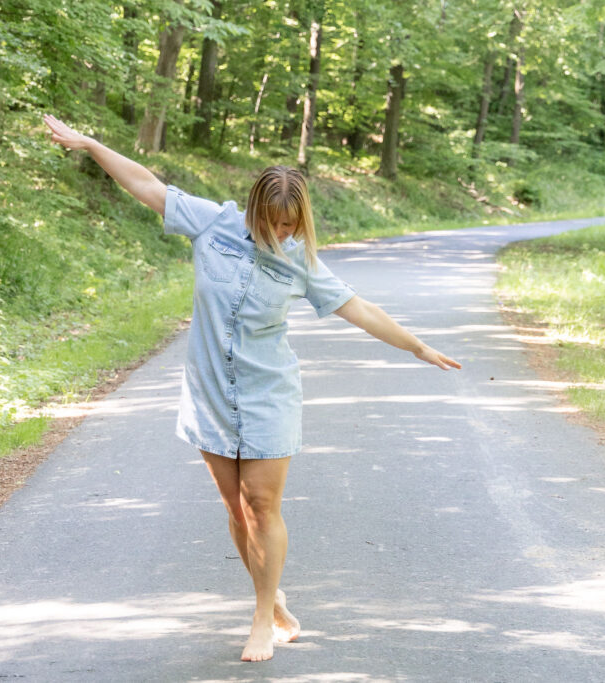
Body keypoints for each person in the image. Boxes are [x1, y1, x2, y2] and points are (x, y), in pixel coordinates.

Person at [42, 114, 462, 662]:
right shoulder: (212, 223)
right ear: (254, 208)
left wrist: (417, 346)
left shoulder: (300, 264)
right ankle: (275, 599)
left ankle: (262, 619)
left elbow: (358, 308)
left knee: (263, 504)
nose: (282, 233)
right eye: (273, 222)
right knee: (237, 512)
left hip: (269, 394)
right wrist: (92, 143)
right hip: (211, 392)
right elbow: (147, 184)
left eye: (291, 225)